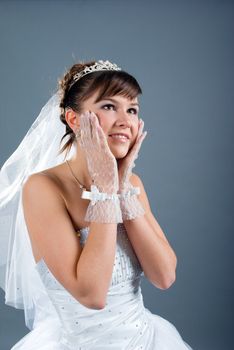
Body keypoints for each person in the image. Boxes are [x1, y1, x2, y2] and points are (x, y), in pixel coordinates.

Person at [0, 59, 193, 349]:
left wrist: (122, 187)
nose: (125, 120)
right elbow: (92, 295)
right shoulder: (43, 188)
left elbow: (164, 276)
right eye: (108, 106)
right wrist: (104, 190)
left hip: (148, 340)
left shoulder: (133, 186)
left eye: (132, 109)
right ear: (74, 119)